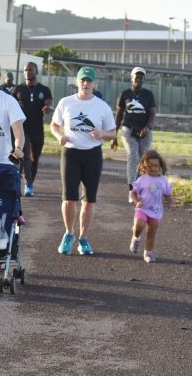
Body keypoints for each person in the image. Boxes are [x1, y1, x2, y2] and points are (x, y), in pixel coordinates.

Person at [51, 67, 116, 255]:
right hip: (71, 153)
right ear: (77, 82)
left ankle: (83, 238)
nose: (86, 84)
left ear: (95, 84)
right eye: (82, 80)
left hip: (92, 155)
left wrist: (102, 134)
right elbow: (54, 124)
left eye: (89, 81)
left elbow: (113, 134)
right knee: (69, 198)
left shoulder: (102, 106)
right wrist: (59, 136)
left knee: (89, 201)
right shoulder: (66, 102)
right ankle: (69, 233)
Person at [113, 66, 157, 203]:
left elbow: (152, 113)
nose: (138, 79)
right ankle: (132, 190)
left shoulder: (148, 95)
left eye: (141, 77)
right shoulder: (125, 94)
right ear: (131, 78)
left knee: (143, 160)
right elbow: (119, 115)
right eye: (136, 76)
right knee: (133, 155)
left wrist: (147, 127)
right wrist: (114, 136)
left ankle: (140, 189)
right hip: (128, 130)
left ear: (144, 79)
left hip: (145, 131)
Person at [11, 62, 53, 197]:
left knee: (35, 158)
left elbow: (48, 103)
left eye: (30, 70)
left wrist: (47, 108)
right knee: (26, 157)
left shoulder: (44, 89)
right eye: (25, 70)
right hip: (22, 129)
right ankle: (28, 184)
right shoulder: (17, 89)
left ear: (36, 72)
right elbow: (9, 106)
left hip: (37, 130)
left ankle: (30, 181)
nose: (27, 72)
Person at [128, 150, 174, 263]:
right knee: (138, 226)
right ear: (144, 166)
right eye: (149, 166)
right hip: (142, 209)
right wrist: (137, 202)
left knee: (151, 233)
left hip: (156, 211)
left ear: (160, 166)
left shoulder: (163, 180)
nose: (153, 168)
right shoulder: (142, 179)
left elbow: (167, 194)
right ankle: (136, 238)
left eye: (155, 166)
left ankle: (148, 253)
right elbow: (133, 193)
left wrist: (171, 202)